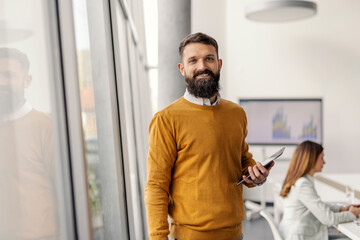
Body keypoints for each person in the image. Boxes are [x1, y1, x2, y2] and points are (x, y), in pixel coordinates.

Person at [144, 32, 274, 240]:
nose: (202, 66)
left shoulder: (236, 113)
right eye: (193, 60)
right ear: (182, 68)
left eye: (209, 59)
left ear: (219, 64)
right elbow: (156, 186)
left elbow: (242, 162)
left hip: (236, 234)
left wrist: (256, 177)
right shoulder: (166, 119)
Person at [0, 47, 59, 239]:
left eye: (8, 75)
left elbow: (66, 192)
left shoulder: (46, 126)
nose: (1, 82)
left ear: (27, 81)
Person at [279, 140, 360, 240]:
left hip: (295, 233)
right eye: (322, 158)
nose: (324, 162)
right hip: (301, 236)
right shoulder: (303, 184)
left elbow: (317, 205)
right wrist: (353, 214)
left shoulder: (299, 180)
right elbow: (329, 219)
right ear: (311, 159)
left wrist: (341, 209)